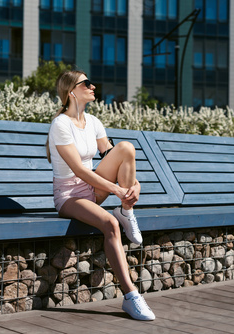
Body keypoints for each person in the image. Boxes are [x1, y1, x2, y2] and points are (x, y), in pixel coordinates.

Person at [46, 70, 155, 321]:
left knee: (125, 148)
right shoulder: (60, 124)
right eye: (86, 83)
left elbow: (110, 155)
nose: (93, 86)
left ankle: (127, 211)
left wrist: (134, 185)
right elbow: (78, 170)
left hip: (92, 188)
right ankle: (131, 297)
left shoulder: (93, 121)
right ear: (72, 91)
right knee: (110, 223)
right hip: (70, 195)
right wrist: (116, 189)